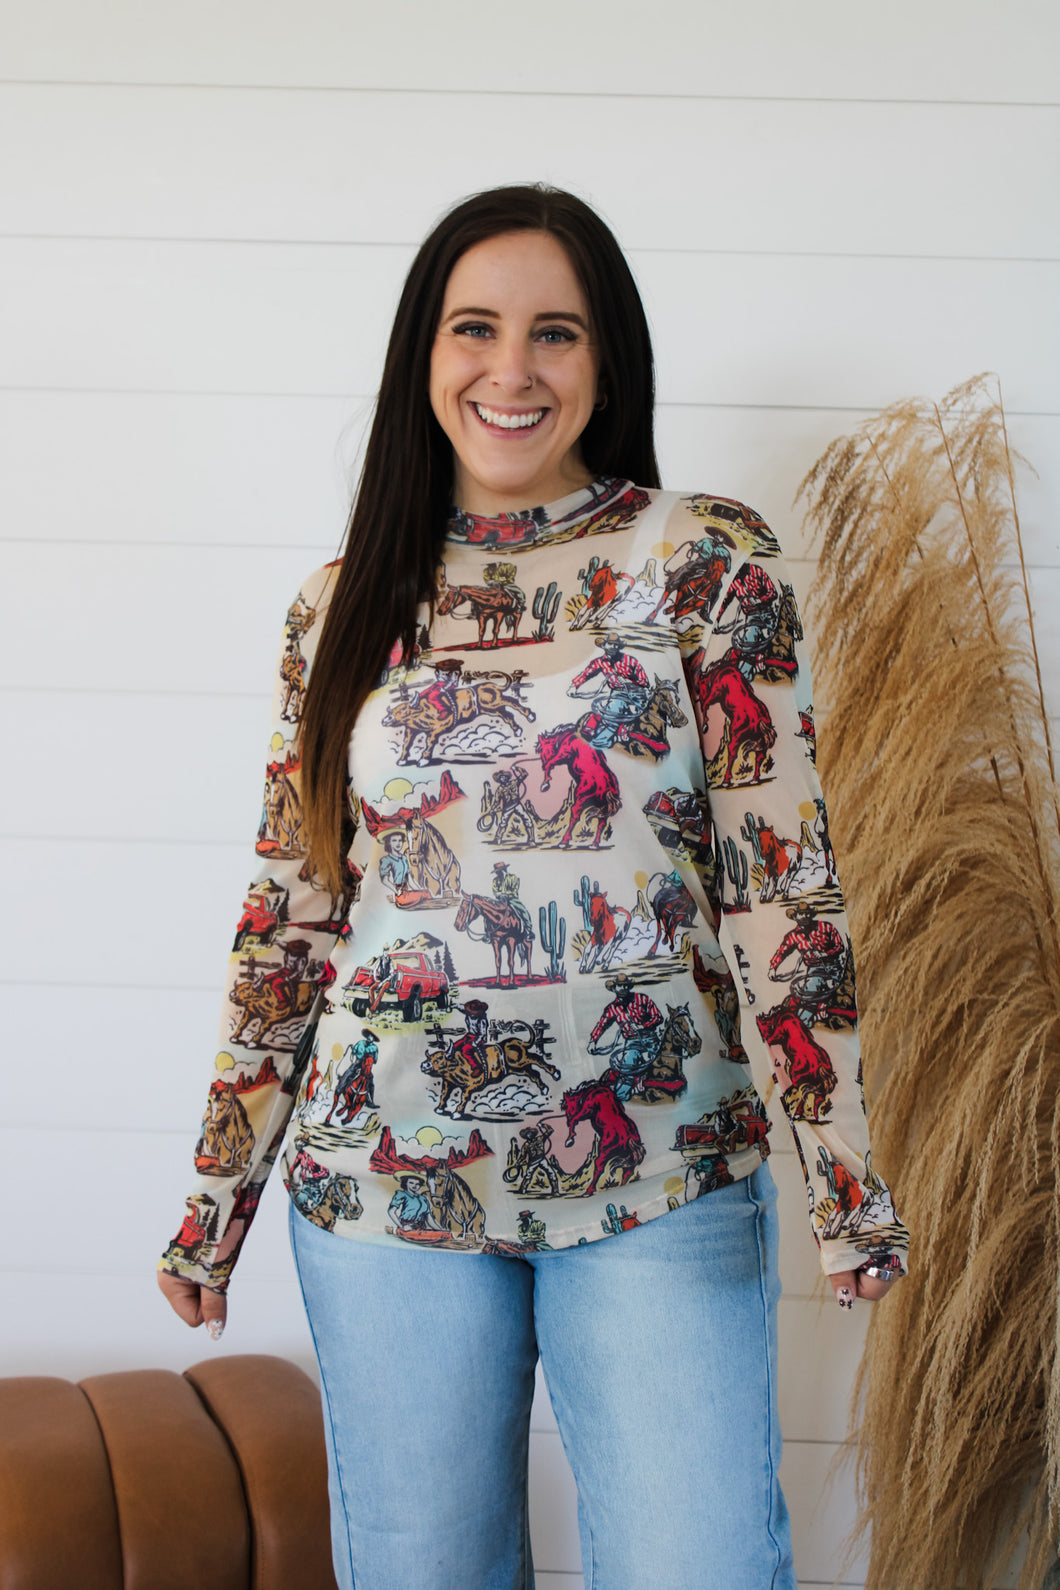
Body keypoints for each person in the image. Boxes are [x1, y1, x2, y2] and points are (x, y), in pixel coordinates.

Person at [158, 183, 909, 1590]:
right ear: (424, 356)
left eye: (554, 332)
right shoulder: (340, 603)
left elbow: (781, 889)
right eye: (476, 329)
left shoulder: (705, 563)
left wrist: (845, 1175)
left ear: (606, 361)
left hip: (665, 1174)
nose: (512, 369)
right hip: (384, 1190)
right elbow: (292, 914)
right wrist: (217, 1198)